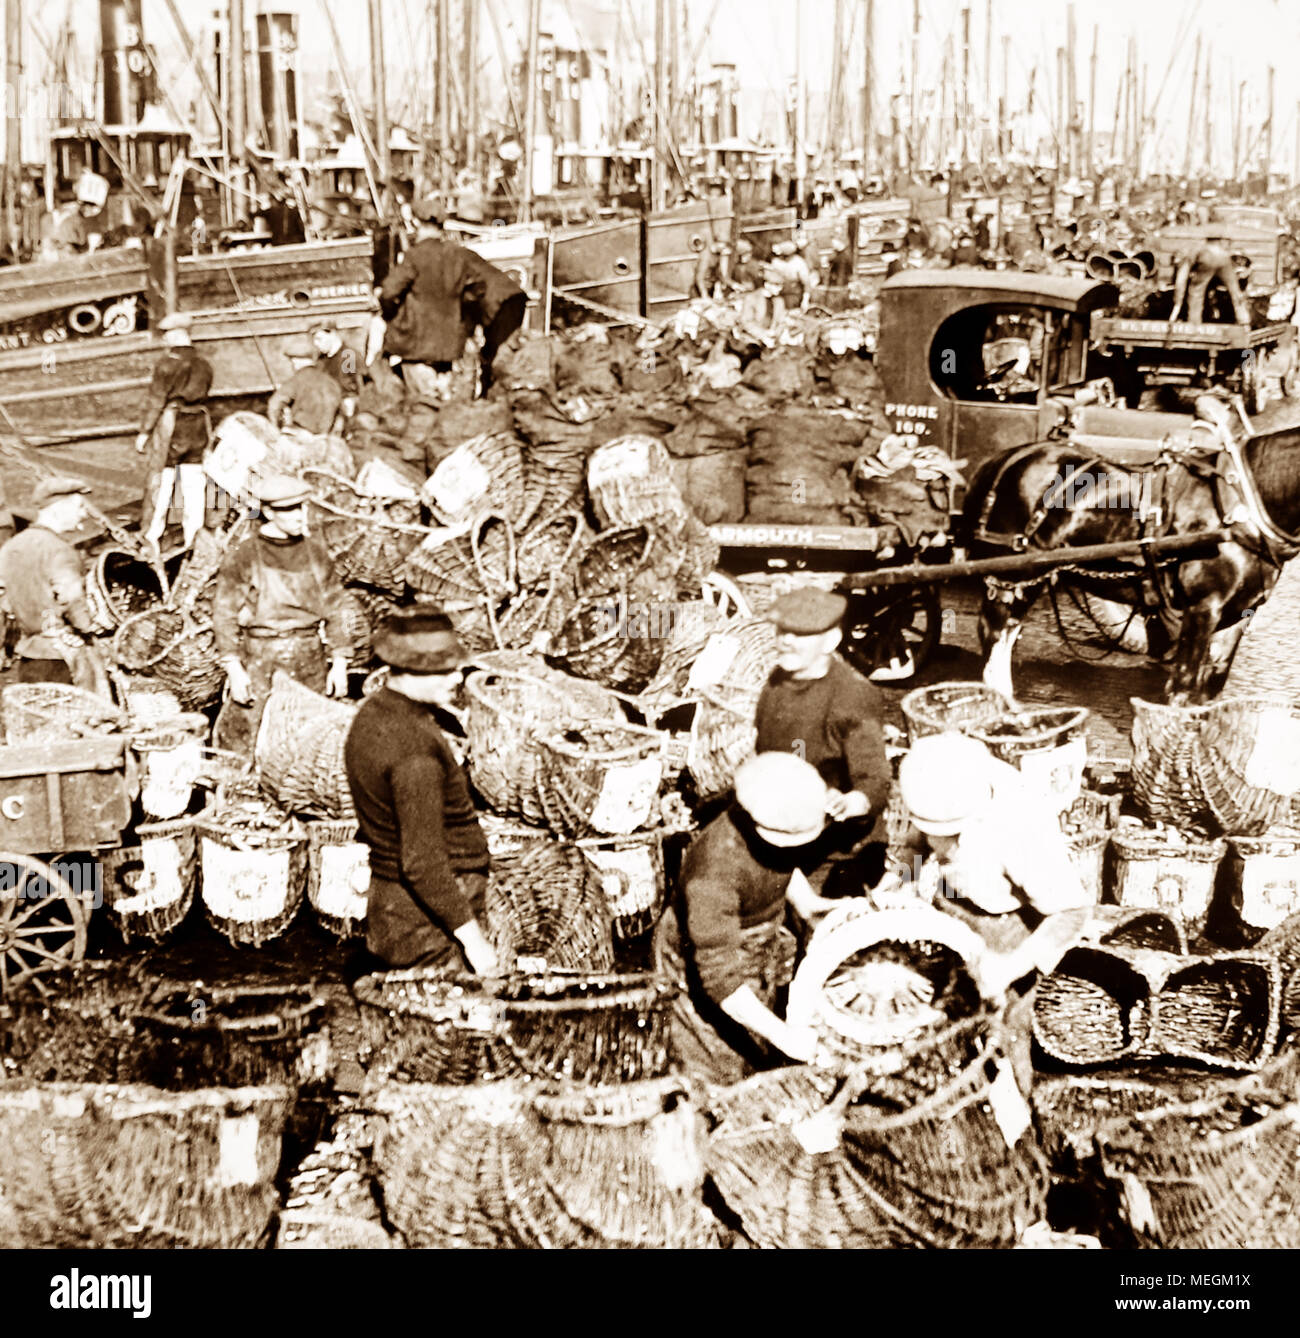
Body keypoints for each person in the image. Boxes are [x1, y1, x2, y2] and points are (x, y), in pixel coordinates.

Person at [893, 731, 1092, 1085]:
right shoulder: (931, 781)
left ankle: (1014, 1108)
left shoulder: (1022, 827)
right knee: (938, 1015)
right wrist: (903, 884)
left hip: (1007, 924)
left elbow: (1071, 911)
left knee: (1005, 1032)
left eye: (957, 833)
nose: (949, 844)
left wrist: (1009, 967)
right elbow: (915, 844)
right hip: (952, 901)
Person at [654, 752, 839, 1083]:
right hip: (703, 968)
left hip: (754, 944)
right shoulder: (712, 876)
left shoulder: (765, 821)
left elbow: (782, 862)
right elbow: (721, 981)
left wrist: (809, 905)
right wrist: (785, 1037)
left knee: (757, 1045)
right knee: (717, 1066)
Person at [344, 610, 499, 974]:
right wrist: (474, 941)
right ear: (409, 669)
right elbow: (422, 863)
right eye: (444, 670)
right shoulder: (414, 753)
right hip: (428, 924)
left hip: (391, 907)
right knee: (456, 1020)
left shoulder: (373, 714)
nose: (458, 677)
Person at [754, 588, 893, 890]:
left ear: (831, 640)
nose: (786, 640)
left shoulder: (852, 695)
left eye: (801, 634)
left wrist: (849, 802)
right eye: (782, 630)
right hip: (781, 829)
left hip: (837, 850)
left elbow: (875, 779)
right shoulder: (776, 683)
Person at [210, 473, 352, 754]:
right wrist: (234, 669)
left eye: (302, 507)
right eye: (290, 509)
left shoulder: (316, 553)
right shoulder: (245, 554)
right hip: (262, 658)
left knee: (308, 741)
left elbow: (338, 607)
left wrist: (340, 661)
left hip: (310, 657)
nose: (300, 515)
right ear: (268, 512)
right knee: (249, 741)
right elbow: (224, 613)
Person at [0, 477, 107, 692]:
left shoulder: (11, 547)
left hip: (29, 657)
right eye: (78, 507)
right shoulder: (59, 550)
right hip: (63, 660)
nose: (83, 515)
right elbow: (72, 599)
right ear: (59, 509)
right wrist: (95, 627)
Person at [376, 198, 488, 401]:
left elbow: (388, 292)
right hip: (450, 346)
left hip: (416, 346)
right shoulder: (458, 255)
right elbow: (479, 287)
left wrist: (391, 314)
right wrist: (461, 312)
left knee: (424, 405)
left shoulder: (415, 256)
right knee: (446, 402)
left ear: (417, 223)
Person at [134, 313, 214, 551]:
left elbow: (157, 398)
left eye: (167, 335)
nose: (164, 341)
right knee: (193, 484)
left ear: (178, 334)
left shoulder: (167, 363)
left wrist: (144, 432)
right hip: (198, 423)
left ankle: (150, 537)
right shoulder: (204, 364)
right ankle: (194, 539)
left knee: (161, 480)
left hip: (172, 423)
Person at [462, 250, 528, 397]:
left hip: (501, 302)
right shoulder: (462, 255)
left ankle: (491, 395)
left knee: (497, 354)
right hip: (508, 299)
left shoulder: (452, 262)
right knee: (495, 351)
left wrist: (466, 332)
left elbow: (470, 296)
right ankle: (491, 392)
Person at [266, 336, 345, 436]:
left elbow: (274, 404)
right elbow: (340, 415)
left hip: (299, 433)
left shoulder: (297, 379)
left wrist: (275, 429)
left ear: (295, 361)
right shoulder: (331, 381)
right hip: (324, 437)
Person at [1170, 234, 1254, 325]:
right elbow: (1234, 288)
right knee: (1235, 291)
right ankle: (1244, 321)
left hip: (1207, 257)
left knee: (1196, 291)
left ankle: (1194, 323)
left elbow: (1181, 281)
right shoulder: (1221, 252)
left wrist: (1177, 304)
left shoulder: (1191, 253)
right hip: (1223, 257)